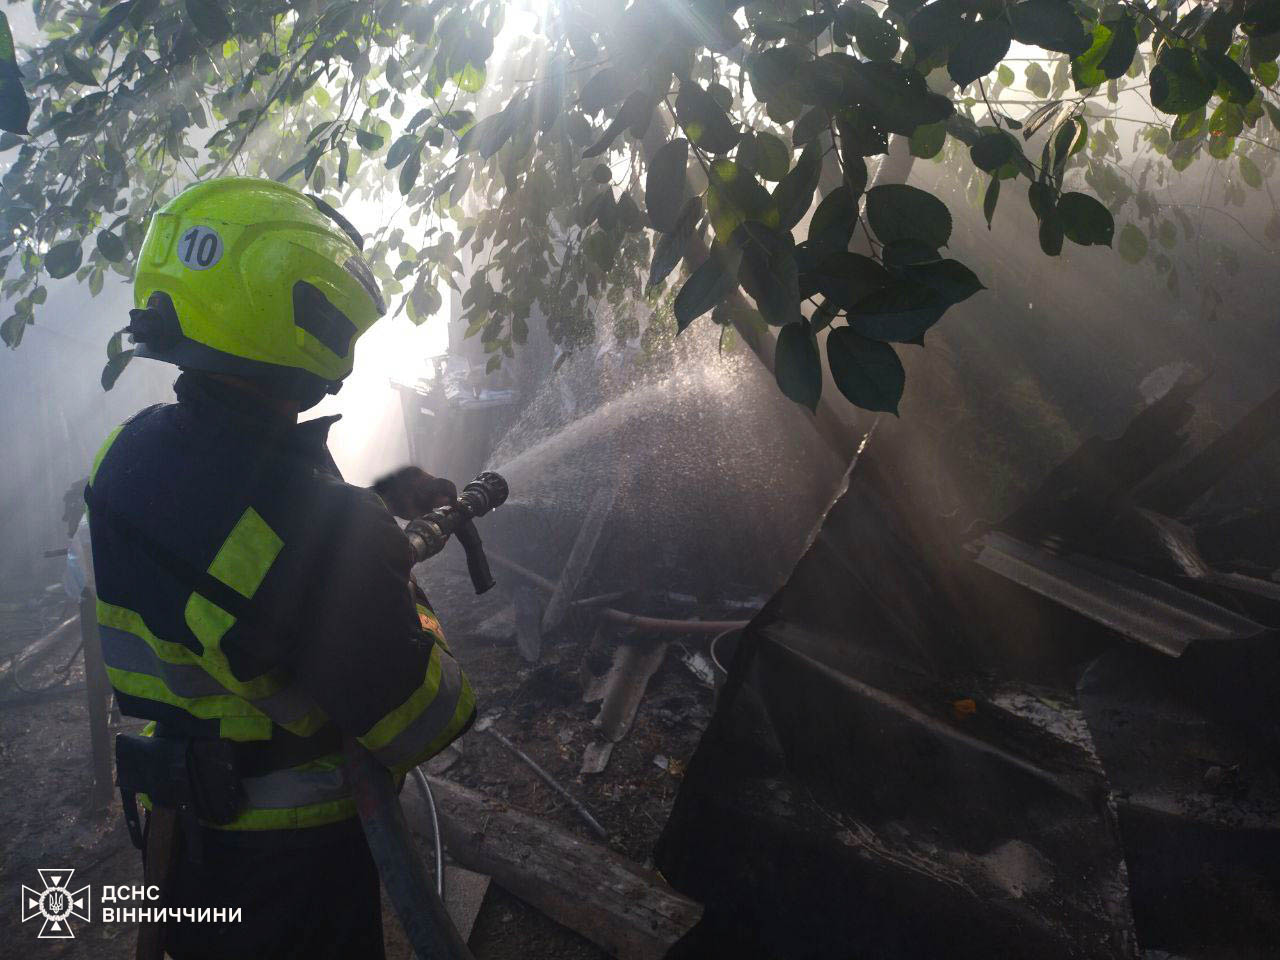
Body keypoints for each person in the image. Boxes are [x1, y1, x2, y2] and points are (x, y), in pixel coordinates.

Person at [85, 177, 474, 960]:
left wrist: (368, 511)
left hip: (178, 844)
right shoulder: (314, 525)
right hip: (295, 873)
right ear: (298, 328)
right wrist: (404, 592)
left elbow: (229, 549)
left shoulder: (125, 455)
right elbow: (426, 721)